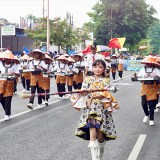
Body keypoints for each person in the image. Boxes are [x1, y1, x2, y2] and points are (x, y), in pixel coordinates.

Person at [71, 59, 119, 160]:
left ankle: (100, 155)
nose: (97, 69)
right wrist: (84, 91)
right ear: (92, 68)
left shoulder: (106, 80)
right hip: (91, 110)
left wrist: (95, 93)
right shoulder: (88, 79)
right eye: (95, 67)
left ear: (104, 69)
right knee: (92, 132)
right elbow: (84, 92)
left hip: (102, 110)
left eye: (100, 67)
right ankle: (94, 158)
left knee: (100, 136)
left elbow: (104, 94)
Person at [137, 56, 160, 126]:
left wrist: (156, 77)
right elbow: (139, 76)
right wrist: (139, 77)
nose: (148, 64)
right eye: (146, 63)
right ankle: (147, 114)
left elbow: (159, 76)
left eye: (149, 63)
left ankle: (151, 119)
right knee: (143, 104)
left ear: (152, 63)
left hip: (152, 88)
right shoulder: (143, 69)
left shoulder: (156, 69)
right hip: (144, 88)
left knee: (151, 105)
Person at [0, 50, 20, 120]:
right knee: (1, 98)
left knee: (8, 98)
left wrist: (14, 73)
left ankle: (7, 114)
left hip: (9, 82)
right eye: (5, 58)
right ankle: (7, 111)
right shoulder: (0, 63)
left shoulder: (14, 64)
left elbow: (19, 74)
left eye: (8, 58)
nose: (6, 59)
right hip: (1, 82)